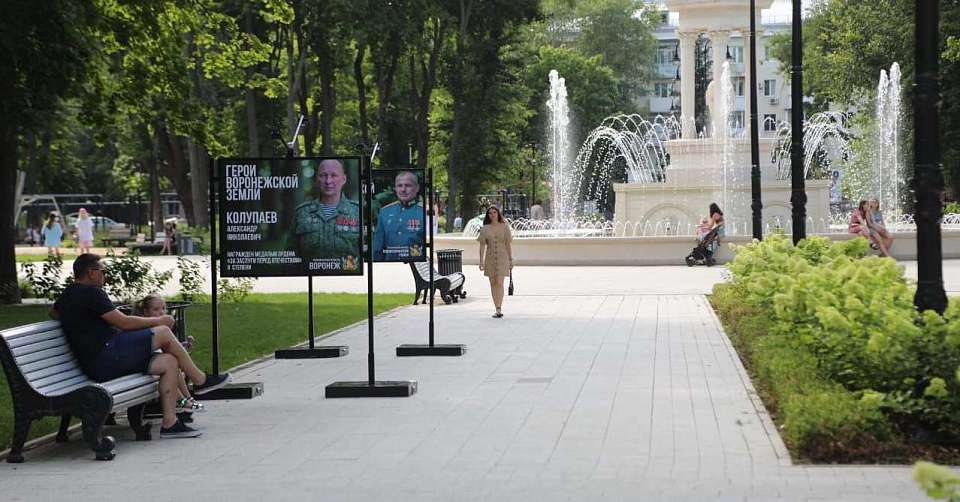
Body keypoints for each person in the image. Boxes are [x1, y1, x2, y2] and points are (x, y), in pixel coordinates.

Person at [52, 254, 230, 438]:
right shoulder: (91, 292)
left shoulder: (69, 294)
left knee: (169, 361)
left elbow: (54, 313)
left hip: (101, 360)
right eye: (102, 272)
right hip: (106, 357)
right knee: (163, 331)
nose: (104, 276)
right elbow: (124, 323)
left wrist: (84, 323)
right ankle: (200, 381)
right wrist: (159, 319)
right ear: (91, 272)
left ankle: (170, 424)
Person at [135, 295, 203, 420]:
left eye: (163, 308)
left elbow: (168, 348)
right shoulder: (145, 328)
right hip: (148, 364)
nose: (161, 312)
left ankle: (187, 399)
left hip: (157, 363)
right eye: (156, 310)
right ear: (145, 312)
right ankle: (184, 401)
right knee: (171, 366)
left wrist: (184, 346)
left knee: (173, 365)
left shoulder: (161, 328)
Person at [291, 159, 361, 263]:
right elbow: (291, 256)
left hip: (348, 277)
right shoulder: (302, 212)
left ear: (344, 179)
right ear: (317, 179)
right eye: (323, 175)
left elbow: (369, 253)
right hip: (310, 277)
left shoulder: (358, 212)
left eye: (334, 175)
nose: (328, 181)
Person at [372, 171, 424, 261]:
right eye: (399, 186)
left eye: (408, 185)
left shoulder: (424, 212)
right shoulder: (385, 212)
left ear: (417, 188)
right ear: (395, 188)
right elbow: (378, 247)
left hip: (416, 266)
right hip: (390, 268)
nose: (403, 189)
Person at [477, 206, 513, 318]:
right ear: (488, 215)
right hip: (490, 258)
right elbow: (482, 246)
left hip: (503, 257)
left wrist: (511, 259)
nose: (492, 214)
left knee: (499, 282)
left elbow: (508, 244)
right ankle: (496, 307)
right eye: (490, 213)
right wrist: (481, 261)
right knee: (493, 283)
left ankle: (499, 308)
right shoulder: (485, 228)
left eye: (494, 212)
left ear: (498, 214)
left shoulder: (505, 227)